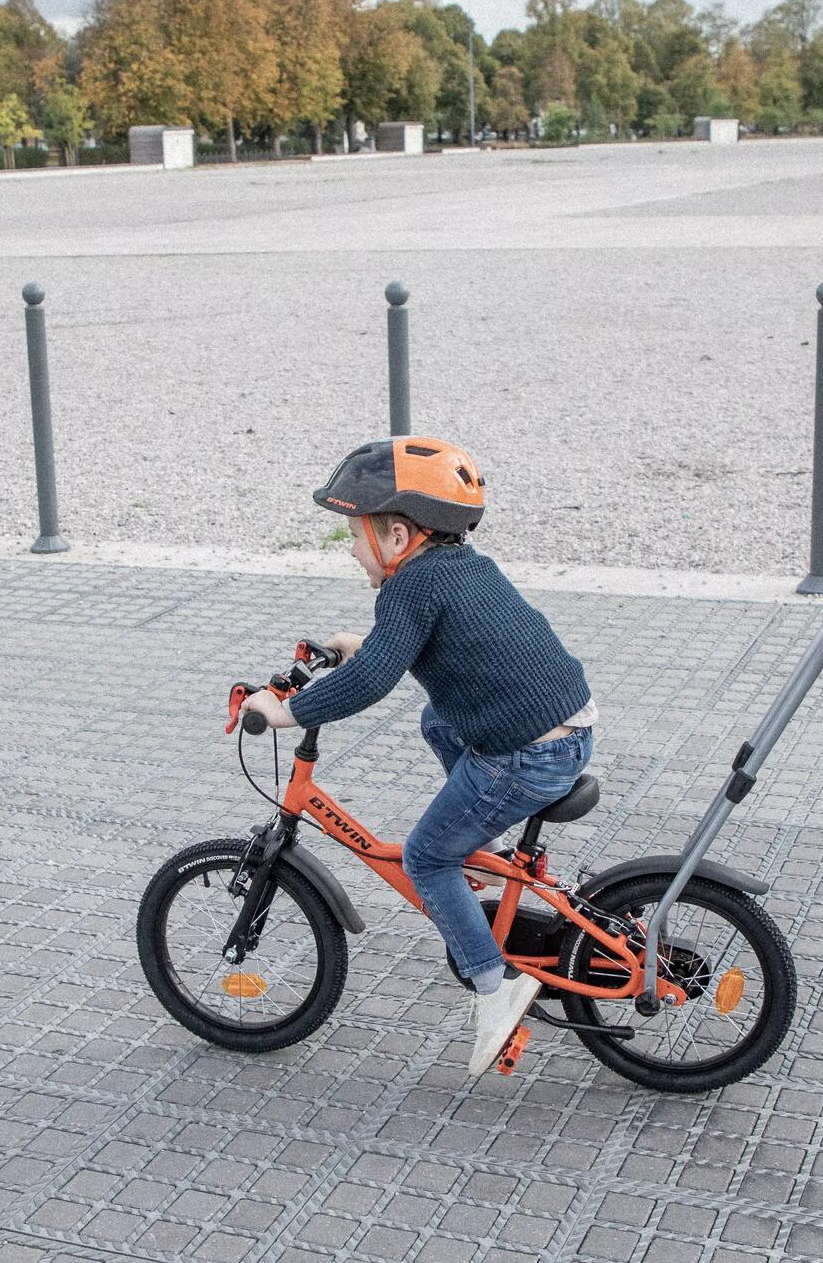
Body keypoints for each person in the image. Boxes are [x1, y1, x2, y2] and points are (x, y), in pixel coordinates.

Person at [241, 436, 598, 1077]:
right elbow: (433, 642)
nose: (351, 550)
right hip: (565, 727)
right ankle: (472, 848)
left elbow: (373, 681)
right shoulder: (463, 568)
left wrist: (286, 711)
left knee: (425, 857)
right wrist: (368, 644)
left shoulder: (409, 589)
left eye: (355, 535)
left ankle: (496, 993)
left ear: (399, 536)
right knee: (438, 717)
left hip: (526, 756)